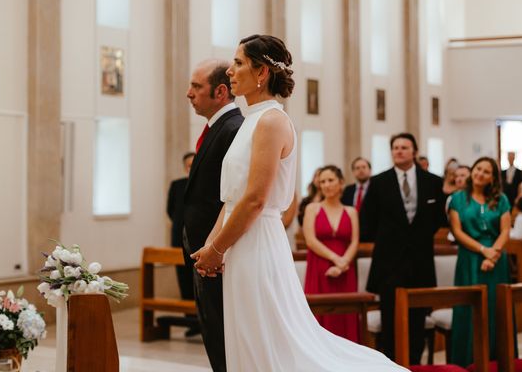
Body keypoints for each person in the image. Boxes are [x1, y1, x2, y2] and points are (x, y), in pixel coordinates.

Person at [191, 35, 403, 371]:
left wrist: (217, 247)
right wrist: (212, 246)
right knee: (245, 333)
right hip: (240, 242)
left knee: (269, 335)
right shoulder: (250, 120)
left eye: (239, 63)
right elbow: (231, 199)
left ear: (262, 72)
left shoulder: (272, 121)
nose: (230, 71)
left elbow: (256, 199)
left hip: (258, 242)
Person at [361, 132, 446, 363]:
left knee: (418, 320)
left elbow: (439, 218)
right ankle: (391, 365)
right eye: (395, 147)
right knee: (391, 321)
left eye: (404, 147)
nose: (399, 151)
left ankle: (415, 365)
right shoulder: (379, 182)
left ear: (414, 152)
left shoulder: (433, 181)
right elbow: (367, 221)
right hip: (389, 263)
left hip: (420, 262)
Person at [182, 60, 244, 372]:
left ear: (220, 91)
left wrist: (214, 247)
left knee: (223, 338)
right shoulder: (215, 128)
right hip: (204, 254)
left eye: (196, 86)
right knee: (213, 334)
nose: (188, 93)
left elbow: (232, 197)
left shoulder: (232, 128)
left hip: (215, 255)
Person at [449, 157, 511, 366]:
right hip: (470, 258)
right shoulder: (458, 198)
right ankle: (466, 361)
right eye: (478, 169)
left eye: (486, 171)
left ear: (493, 178)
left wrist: (493, 253)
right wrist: (483, 250)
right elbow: (457, 232)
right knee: (470, 309)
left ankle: (498, 359)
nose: (480, 174)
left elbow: (505, 230)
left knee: (496, 307)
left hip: (496, 259)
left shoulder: (501, 199)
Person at [303, 165, 360, 342]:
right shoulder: (312, 208)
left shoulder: (351, 212)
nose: (326, 185)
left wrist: (343, 264)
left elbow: (354, 241)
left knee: (345, 317)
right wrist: (336, 259)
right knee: (320, 320)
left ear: (341, 183)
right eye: (322, 182)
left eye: (330, 180)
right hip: (320, 269)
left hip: (345, 271)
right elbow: (310, 240)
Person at [166, 151, 199, 336]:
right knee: (183, 280)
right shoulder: (177, 185)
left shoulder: (204, 183)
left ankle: (202, 320)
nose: (191, 167)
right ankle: (190, 321)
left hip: (199, 240)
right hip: (178, 238)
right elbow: (170, 210)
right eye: (188, 165)